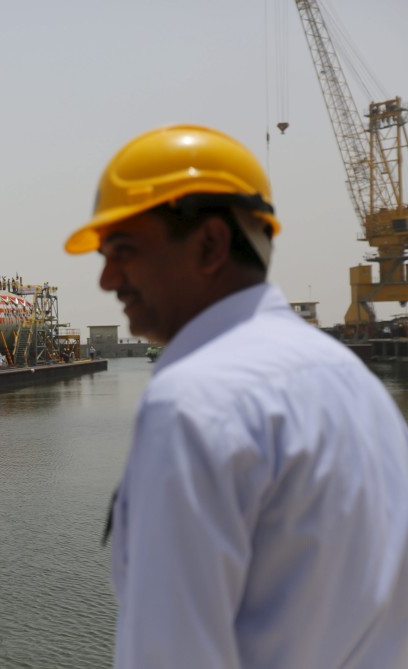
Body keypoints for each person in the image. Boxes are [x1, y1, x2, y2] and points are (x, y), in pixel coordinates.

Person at [65, 124, 408, 668]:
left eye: (124, 250)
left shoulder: (194, 403)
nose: (107, 279)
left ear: (210, 244)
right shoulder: (356, 384)